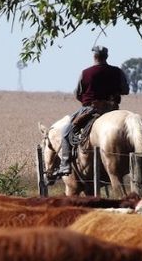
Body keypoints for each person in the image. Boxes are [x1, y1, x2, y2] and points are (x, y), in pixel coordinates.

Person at [55, 45, 129, 176]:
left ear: (94, 56)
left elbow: (78, 93)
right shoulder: (117, 72)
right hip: (112, 109)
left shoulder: (86, 73)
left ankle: (65, 165)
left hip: (91, 109)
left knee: (66, 130)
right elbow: (125, 90)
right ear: (107, 56)